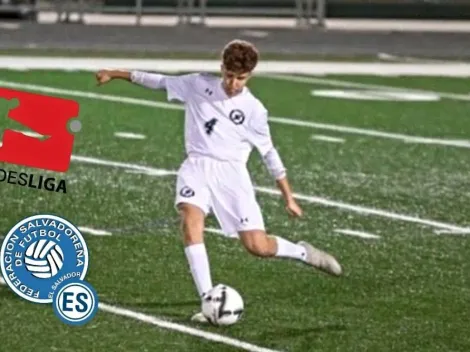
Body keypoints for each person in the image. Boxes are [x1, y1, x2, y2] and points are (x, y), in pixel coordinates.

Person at [95, 39, 342, 323]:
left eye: (241, 78)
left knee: (257, 246)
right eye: (229, 75)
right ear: (221, 68)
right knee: (190, 221)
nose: (233, 83)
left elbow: (269, 153)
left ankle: (302, 252)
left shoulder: (254, 110)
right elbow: (159, 81)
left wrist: (288, 197)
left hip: (232, 174)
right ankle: (207, 299)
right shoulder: (198, 84)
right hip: (196, 166)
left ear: (250, 76)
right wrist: (115, 73)